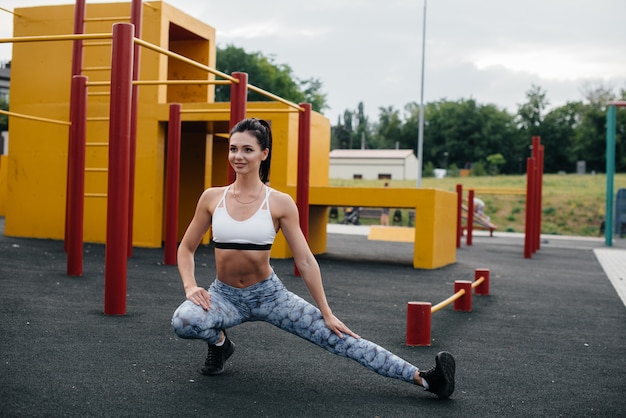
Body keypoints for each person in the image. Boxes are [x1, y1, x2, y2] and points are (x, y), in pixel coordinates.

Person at [171, 118, 456, 399]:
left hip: (269, 296)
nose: (238, 156)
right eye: (233, 149)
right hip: (225, 296)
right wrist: (190, 286)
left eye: (247, 149)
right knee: (183, 322)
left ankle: (426, 379)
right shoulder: (212, 198)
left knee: (338, 338)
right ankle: (220, 344)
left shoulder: (279, 202)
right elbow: (185, 248)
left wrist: (327, 312)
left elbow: (305, 260)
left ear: (263, 153)